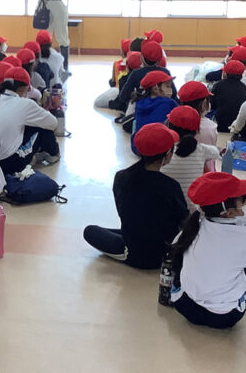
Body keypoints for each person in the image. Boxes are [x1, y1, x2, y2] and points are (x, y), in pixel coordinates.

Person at [83, 123, 188, 269]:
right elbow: (183, 220)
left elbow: (125, 214)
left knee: (90, 231)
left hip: (135, 252)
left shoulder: (121, 177)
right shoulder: (171, 186)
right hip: (164, 251)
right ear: (168, 154)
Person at [171, 172, 246, 329]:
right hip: (224, 316)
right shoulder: (241, 237)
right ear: (229, 213)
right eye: (242, 203)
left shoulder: (195, 224)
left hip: (183, 304)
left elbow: (175, 246)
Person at [0, 66, 59, 175]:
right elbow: (53, 123)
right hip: (9, 164)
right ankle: (54, 155)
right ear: (24, 88)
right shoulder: (25, 104)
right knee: (42, 127)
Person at [161, 106, 220, 210]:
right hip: (191, 212)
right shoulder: (202, 149)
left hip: (165, 209)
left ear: (169, 126)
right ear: (197, 131)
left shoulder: (163, 150)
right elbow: (217, 152)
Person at [118, 40, 175, 111]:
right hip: (162, 109)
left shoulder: (136, 73)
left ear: (141, 58)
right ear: (160, 59)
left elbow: (123, 96)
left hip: (141, 110)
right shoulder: (165, 72)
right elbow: (174, 94)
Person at [132, 70, 178, 152]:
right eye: (167, 86)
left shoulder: (140, 102)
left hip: (137, 147)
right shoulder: (169, 102)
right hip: (157, 149)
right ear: (155, 89)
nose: (171, 89)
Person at [178, 81, 218, 171]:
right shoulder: (211, 127)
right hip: (202, 171)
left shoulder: (172, 121)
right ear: (204, 103)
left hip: (177, 169)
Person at [211, 60, 246, 132]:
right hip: (239, 123)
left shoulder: (218, 85)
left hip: (221, 123)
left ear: (225, 73)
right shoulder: (243, 87)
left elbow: (212, 104)